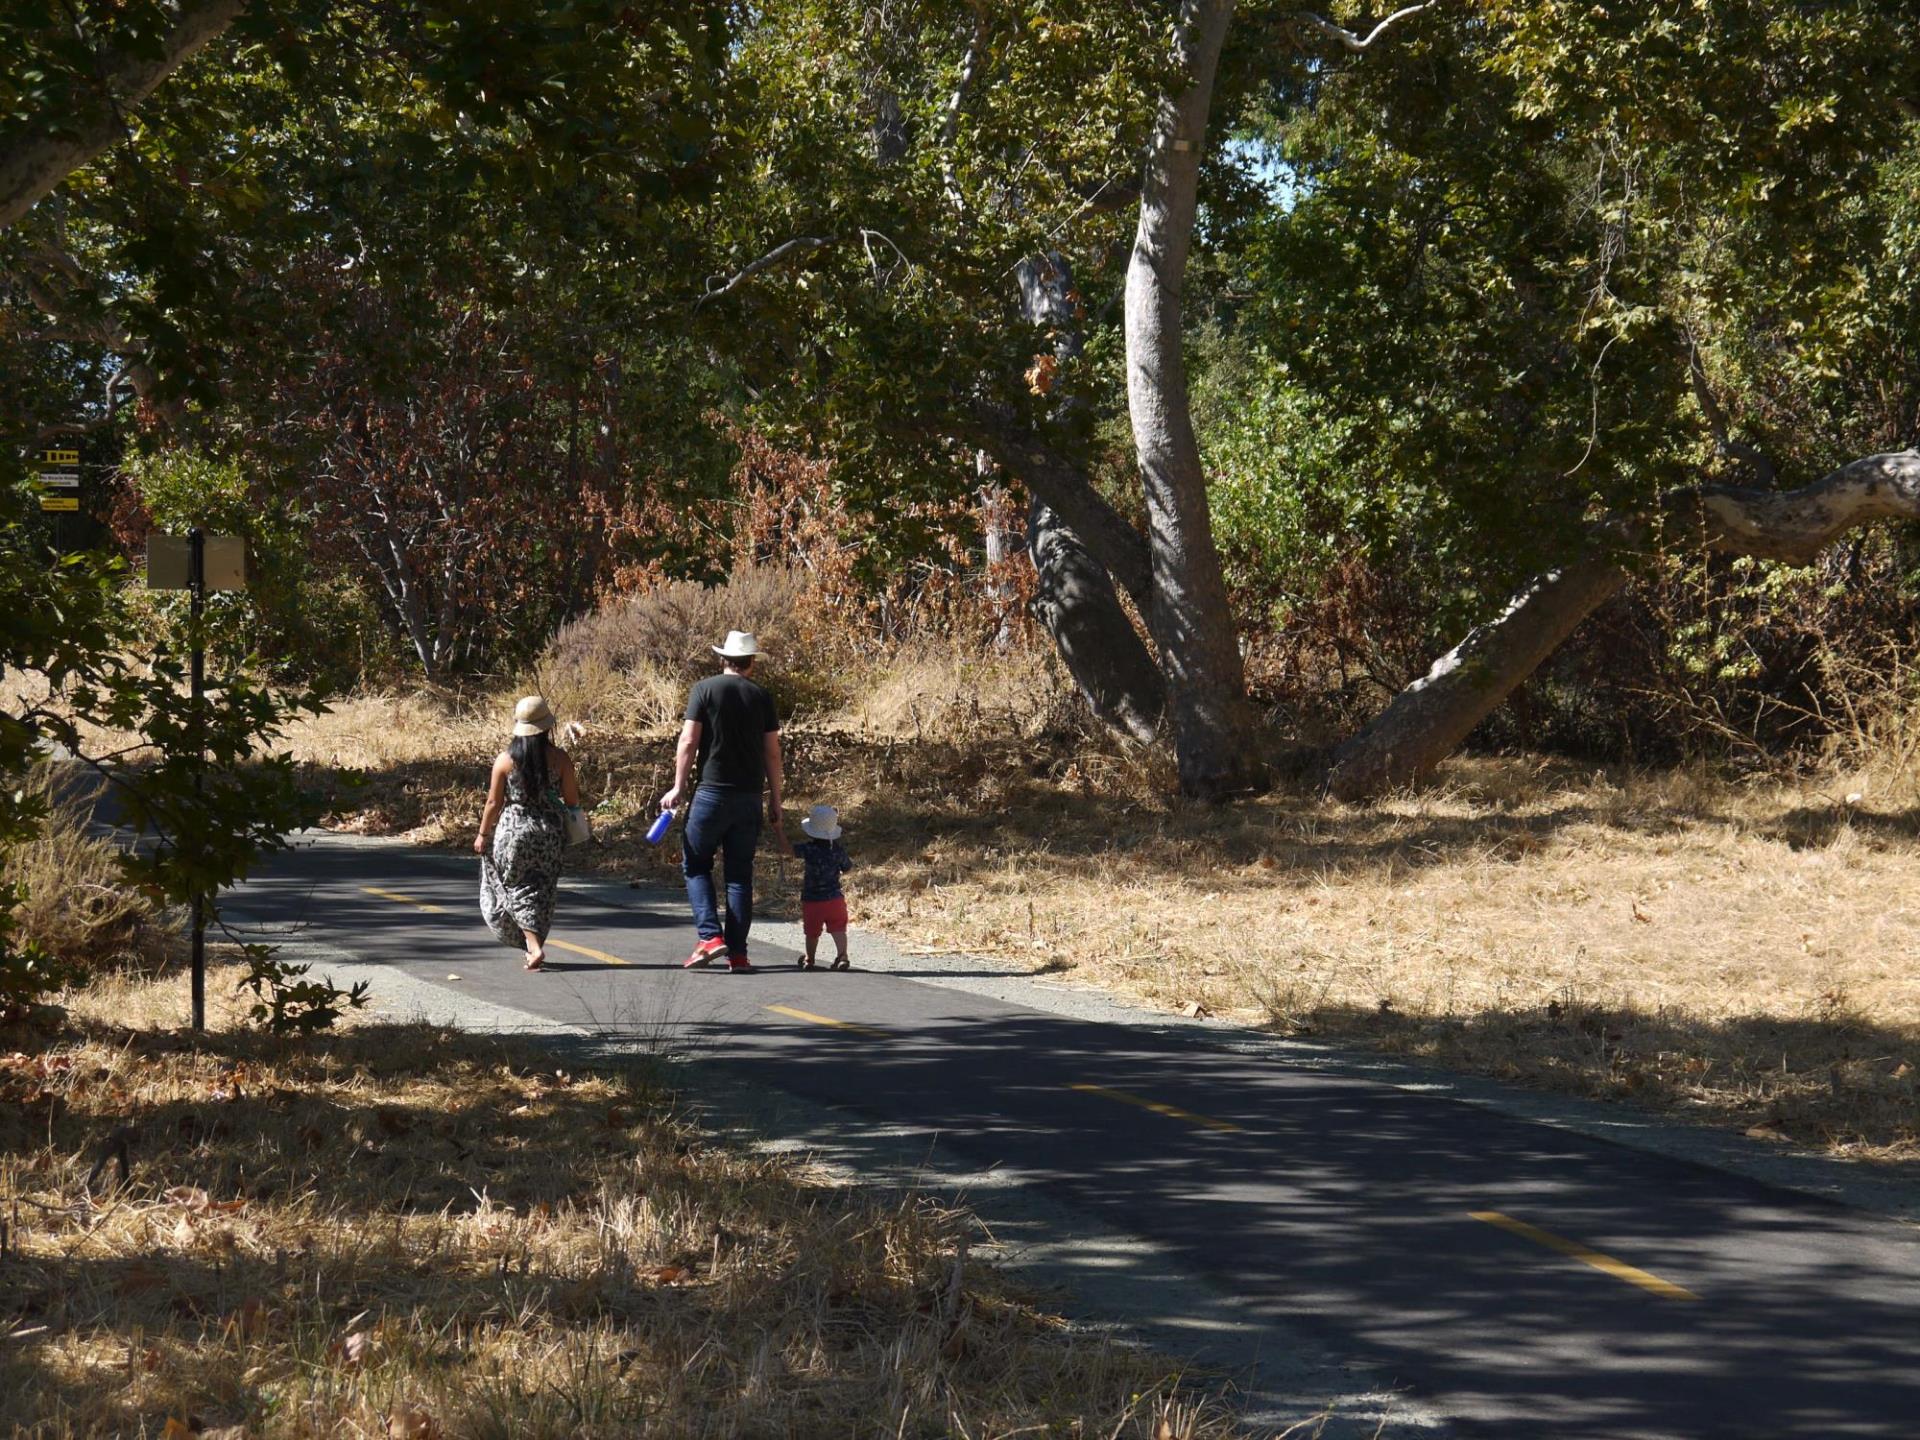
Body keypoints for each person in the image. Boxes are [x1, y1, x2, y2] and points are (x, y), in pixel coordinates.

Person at [661, 630, 786, 972]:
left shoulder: (704, 689)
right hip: (749, 797)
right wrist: (776, 799)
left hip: (711, 793)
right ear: (752, 664)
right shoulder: (762, 696)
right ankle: (739, 954)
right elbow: (772, 753)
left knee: (696, 863)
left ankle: (709, 937)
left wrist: (678, 786)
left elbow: (688, 741)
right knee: (739, 875)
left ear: (723, 659)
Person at [475, 695, 582, 972]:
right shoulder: (560, 759)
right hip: (549, 833)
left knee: (514, 888)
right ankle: (531, 944)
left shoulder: (505, 760)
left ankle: (533, 947)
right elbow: (572, 799)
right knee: (542, 889)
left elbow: (493, 803)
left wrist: (483, 834)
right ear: (547, 727)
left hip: (514, 832)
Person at [792, 803, 853, 970]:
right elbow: (847, 868)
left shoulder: (808, 849)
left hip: (812, 900)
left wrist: (778, 831)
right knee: (838, 929)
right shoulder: (837, 850)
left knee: (812, 932)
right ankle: (842, 956)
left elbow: (787, 850)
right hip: (834, 898)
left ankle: (809, 959)